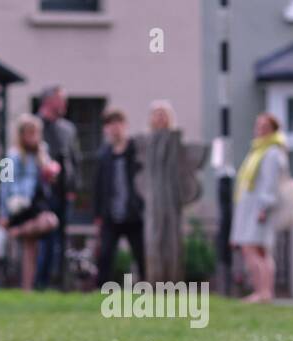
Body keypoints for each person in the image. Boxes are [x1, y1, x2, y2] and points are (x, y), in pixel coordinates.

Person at [136, 100, 208, 284]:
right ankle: (154, 281)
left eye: (164, 113)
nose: (160, 117)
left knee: (172, 240)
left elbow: (195, 158)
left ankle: (173, 282)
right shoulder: (145, 143)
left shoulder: (175, 142)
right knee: (153, 238)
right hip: (153, 201)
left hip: (171, 199)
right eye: (156, 113)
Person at [0, 114, 61, 291]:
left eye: (36, 133)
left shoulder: (42, 153)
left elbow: (48, 178)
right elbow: (3, 184)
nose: (33, 137)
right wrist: (3, 213)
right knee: (50, 221)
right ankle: (16, 230)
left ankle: (27, 288)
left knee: (30, 247)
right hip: (19, 205)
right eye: (29, 133)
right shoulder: (10, 156)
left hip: (37, 204)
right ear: (21, 135)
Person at [231, 112, 289, 303]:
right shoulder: (258, 151)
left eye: (265, 127)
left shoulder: (271, 153)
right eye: (258, 126)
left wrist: (264, 208)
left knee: (253, 249)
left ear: (273, 130)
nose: (260, 130)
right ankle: (263, 292)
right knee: (260, 251)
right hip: (252, 208)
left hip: (259, 210)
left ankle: (263, 292)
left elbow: (270, 184)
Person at [34, 85, 81, 290]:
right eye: (61, 99)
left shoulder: (68, 129)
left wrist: (73, 188)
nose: (65, 103)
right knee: (43, 239)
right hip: (40, 195)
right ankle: (38, 282)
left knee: (61, 240)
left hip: (64, 194)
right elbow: (10, 160)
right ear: (48, 101)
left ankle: (59, 282)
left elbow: (75, 159)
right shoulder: (34, 126)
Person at [93, 108, 145, 285]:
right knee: (105, 254)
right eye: (110, 124)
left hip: (134, 214)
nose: (115, 129)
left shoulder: (136, 152)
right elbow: (98, 187)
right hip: (111, 214)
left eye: (118, 124)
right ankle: (101, 290)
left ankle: (149, 287)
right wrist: (97, 215)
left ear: (125, 126)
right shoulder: (104, 155)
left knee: (141, 254)